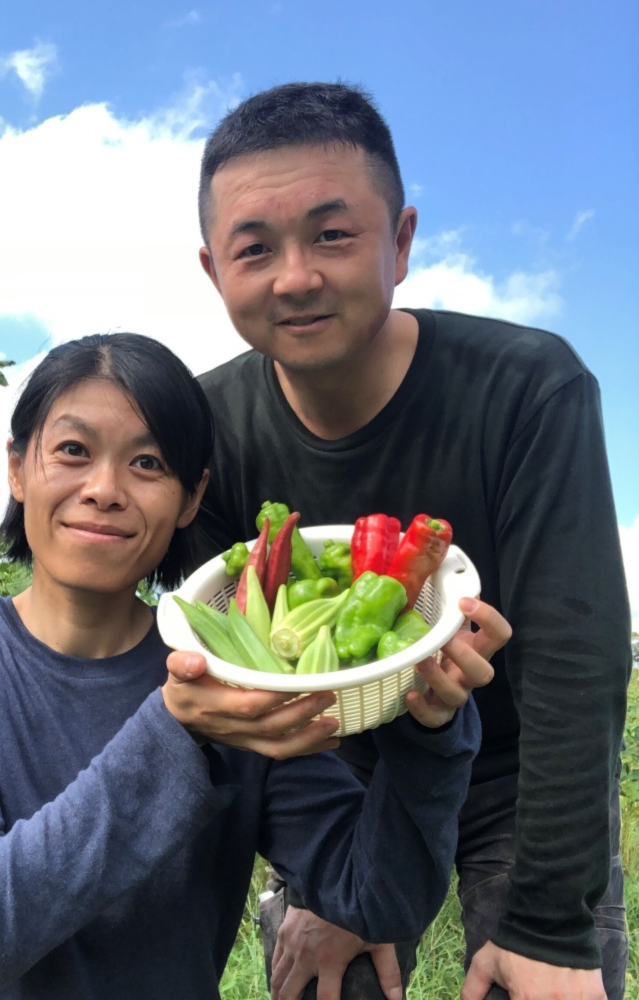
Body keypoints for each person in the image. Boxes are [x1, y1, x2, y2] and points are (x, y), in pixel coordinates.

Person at [0, 332, 503, 1000]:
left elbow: (377, 901)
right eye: (73, 452)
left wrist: (427, 731)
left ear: (192, 498)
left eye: (148, 463)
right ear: (19, 469)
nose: (105, 490)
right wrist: (175, 731)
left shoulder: (236, 682)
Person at [184, 81, 632, 1000]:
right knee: (327, 981)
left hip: (516, 776)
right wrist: (325, 879)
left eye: (333, 234)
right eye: (255, 248)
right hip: (337, 775)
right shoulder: (210, 428)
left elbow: (577, 661)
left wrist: (549, 922)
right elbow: (225, 653)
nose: (295, 275)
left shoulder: (526, 387)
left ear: (401, 240)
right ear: (212, 270)